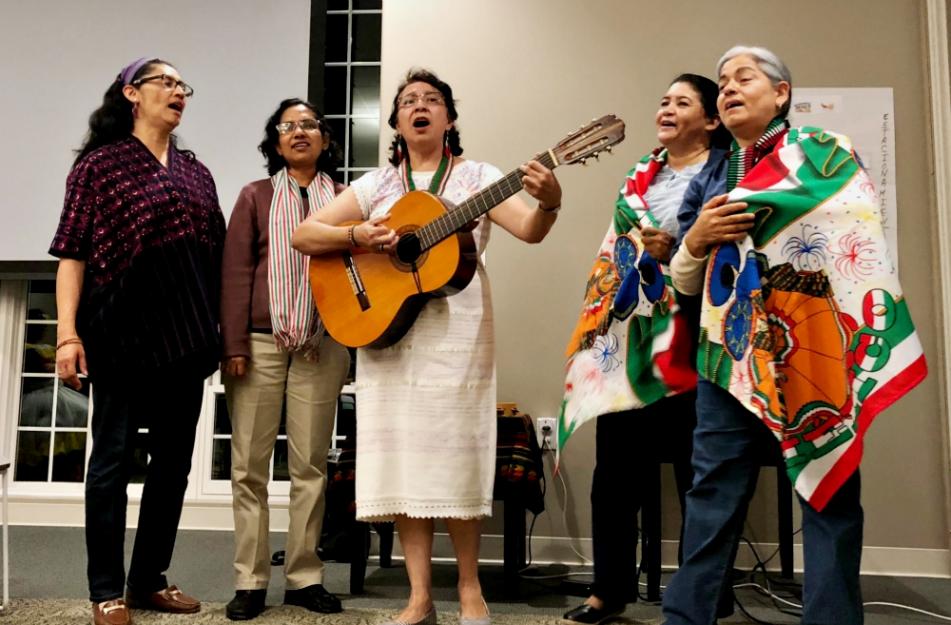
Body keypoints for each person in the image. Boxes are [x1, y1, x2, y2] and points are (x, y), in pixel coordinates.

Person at [662, 46, 926, 625]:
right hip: (728, 355)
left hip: (815, 345)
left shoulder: (824, 155)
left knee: (828, 489)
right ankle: (686, 619)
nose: (728, 87)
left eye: (744, 78)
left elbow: (857, 233)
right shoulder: (709, 171)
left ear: (781, 93)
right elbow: (683, 280)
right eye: (723, 81)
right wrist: (699, 237)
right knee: (711, 494)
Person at [292, 68, 563, 625]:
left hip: (459, 336)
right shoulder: (375, 187)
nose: (420, 106)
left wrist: (551, 203)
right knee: (403, 465)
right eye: (409, 100)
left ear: (448, 118)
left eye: (432, 100)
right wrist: (359, 235)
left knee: (455, 460)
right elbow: (304, 235)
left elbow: (531, 230)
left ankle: (469, 590)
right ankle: (419, 597)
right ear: (395, 122)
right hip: (387, 336)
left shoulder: (480, 179)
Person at [50, 57, 225, 625]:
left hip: (187, 336)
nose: (178, 92)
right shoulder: (98, 167)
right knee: (111, 465)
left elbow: (215, 258)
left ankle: (148, 579)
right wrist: (67, 335)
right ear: (132, 93)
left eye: (183, 86)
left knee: (172, 467)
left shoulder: (197, 173)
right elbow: (73, 255)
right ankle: (106, 589)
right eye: (166, 82)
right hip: (119, 336)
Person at [561, 74, 732, 625]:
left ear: (710, 120)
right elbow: (617, 249)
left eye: (682, 102)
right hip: (633, 337)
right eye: (664, 100)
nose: (667, 108)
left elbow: (737, 249)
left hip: (698, 334)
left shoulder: (731, 173)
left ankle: (703, 596)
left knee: (697, 474)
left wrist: (678, 248)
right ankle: (609, 590)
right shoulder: (640, 174)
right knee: (615, 472)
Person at [219, 99, 351, 621]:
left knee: (310, 468)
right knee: (248, 469)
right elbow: (233, 273)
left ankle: (303, 577)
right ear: (275, 142)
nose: (300, 132)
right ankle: (250, 581)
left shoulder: (345, 199)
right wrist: (232, 344)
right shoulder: (254, 196)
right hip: (258, 344)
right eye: (288, 126)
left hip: (324, 342)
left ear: (324, 139)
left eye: (310, 125)